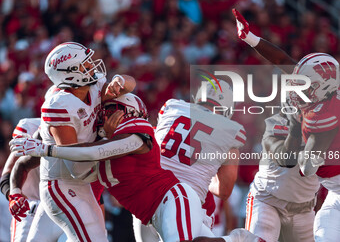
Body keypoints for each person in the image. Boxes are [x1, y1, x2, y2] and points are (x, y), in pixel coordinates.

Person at [11, 93, 264, 242]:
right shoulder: (103, 138)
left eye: (113, 109)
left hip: (172, 200)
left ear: (129, 114)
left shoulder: (139, 132)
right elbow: (71, 156)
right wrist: (15, 185)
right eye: (106, 108)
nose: (105, 112)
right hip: (146, 212)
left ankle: (237, 239)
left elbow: (94, 152)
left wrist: (44, 149)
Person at [233, 8, 340, 242]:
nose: (298, 92)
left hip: (310, 203)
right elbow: (282, 60)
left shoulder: (325, 108)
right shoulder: (282, 120)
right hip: (275, 198)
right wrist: (251, 38)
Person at [14, 41, 134, 242]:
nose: (92, 66)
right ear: (69, 73)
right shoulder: (59, 104)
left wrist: (120, 81)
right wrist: (105, 136)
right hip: (63, 184)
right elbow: (77, 167)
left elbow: (130, 85)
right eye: (85, 64)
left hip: (80, 183)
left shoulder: (93, 86)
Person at [133, 79, 243, 242]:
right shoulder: (230, 132)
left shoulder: (172, 106)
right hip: (182, 205)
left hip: (145, 197)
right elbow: (224, 191)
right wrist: (205, 174)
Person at [246, 109, 320, 242]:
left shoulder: (328, 125)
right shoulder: (276, 122)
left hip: (304, 207)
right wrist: (296, 128)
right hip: (268, 199)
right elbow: (287, 160)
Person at [0, 118, 65, 242]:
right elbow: (7, 172)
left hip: (62, 206)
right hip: (29, 207)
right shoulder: (29, 126)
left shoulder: (77, 127)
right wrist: (13, 195)